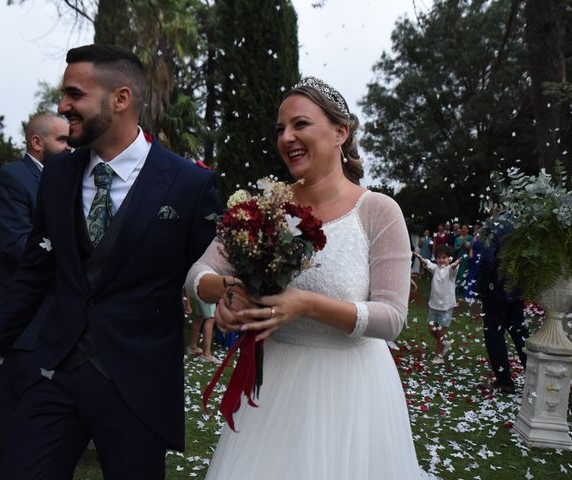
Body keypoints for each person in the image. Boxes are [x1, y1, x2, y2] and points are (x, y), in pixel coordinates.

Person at [0, 44, 221, 479]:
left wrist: (228, 292)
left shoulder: (189, 184)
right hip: (55, 372)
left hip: (137, 382)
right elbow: (33, 272)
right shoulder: (59, 174)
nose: (62, 105)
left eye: (74, 94)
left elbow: (209, 268)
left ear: (120, 99)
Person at [185, 77, 431, 479]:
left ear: (340, 132)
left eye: (300, 124)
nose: (287, 137)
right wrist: (227, 292)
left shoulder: (378, 211)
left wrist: (308, 305)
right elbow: (198, 273)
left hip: (353, 393)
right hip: (276, 388)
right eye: (280, 129)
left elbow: (392, 317)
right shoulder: (265, 208)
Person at [0, 113, 70, 466]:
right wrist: (79, 258)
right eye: (62, 140)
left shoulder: (68, 181)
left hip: (60, 327)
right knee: (19, 433)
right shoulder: (10, 181)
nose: (70, 146)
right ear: (37, 142)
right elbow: (17, 247)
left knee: (52, 437)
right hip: (24, 329)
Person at [476, 216, 529, 394]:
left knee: (494, 334)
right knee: (519, 332)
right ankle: (535, 375)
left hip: (496, 289)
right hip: (517, 287)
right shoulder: (524, 225)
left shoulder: (493, 225)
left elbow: (486, 260)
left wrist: (482, 287)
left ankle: (504, 381)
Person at [414, 246, 461, 364]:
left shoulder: (450, 271)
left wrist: (455, 264)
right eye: (439, 258)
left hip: (446, 307)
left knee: (440, 332)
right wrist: (420, 259)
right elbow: (427, 263)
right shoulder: (435, 268)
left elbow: (453, 268)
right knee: (431, 329)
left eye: (444, 257)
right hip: (433, 305)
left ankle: (439, 356)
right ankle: (444, 343)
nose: (441, 260)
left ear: (449, 259)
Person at [186, 296, 219, 363]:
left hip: (197, 289)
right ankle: (206, 354)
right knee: (211, 318)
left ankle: (192, 347)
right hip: (207, 290)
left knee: (200, 315)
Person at [454, 224, 472, 295]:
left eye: (465, 228)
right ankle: (456, 288)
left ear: (467, 230)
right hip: (459, 257)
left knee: (464, 273)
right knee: (458, 272)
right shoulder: (457, 238)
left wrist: (466, 245)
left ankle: (462, 289)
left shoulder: (470, 238)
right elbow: (455, 248)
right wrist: (461, 246)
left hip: (466, 258)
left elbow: (471, 247)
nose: (463, 230)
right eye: (462, 228)